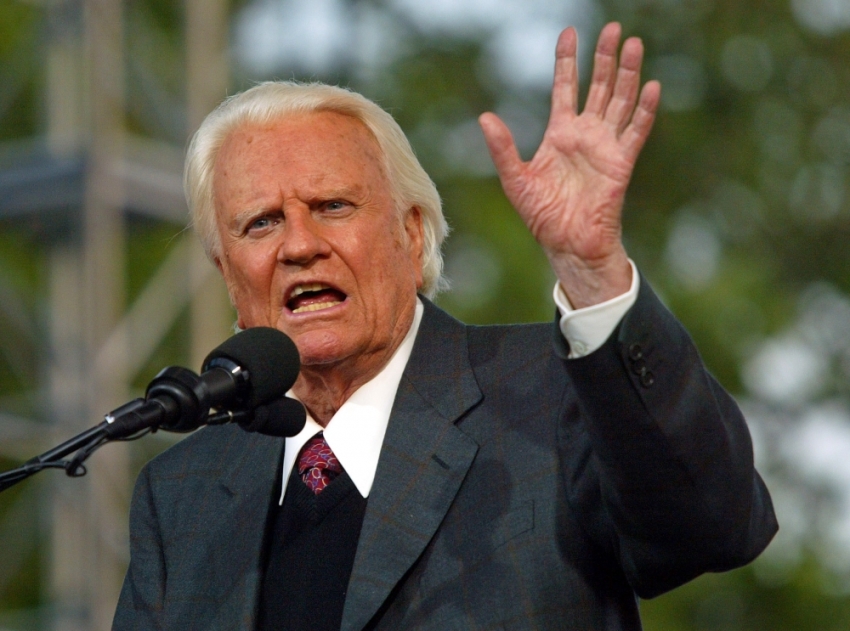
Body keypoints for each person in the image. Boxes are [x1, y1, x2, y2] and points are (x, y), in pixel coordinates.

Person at [113, 23, 777, 631]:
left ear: (411, 232)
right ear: (229, 275)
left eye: (332, 205)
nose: (299, 245)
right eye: (261, 222)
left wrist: (592, 271)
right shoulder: (181, 494)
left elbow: (714, 527)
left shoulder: (548, 395)